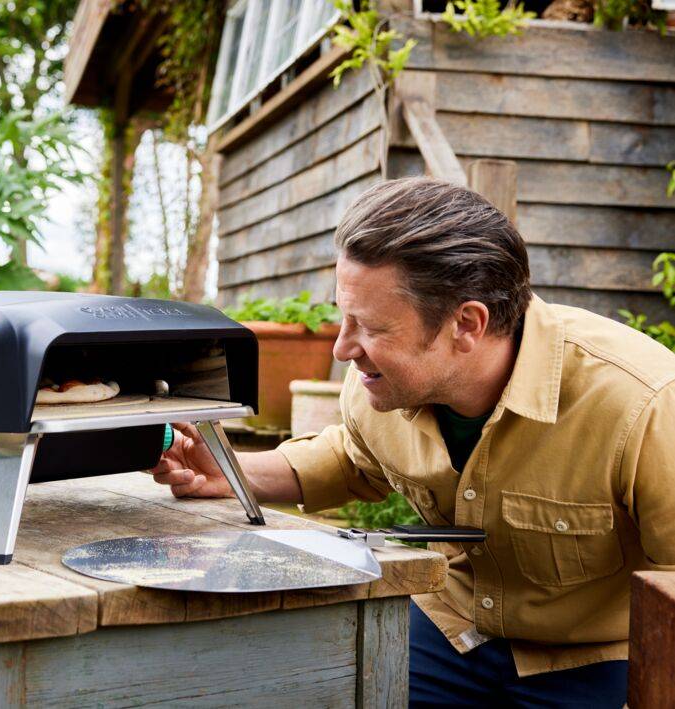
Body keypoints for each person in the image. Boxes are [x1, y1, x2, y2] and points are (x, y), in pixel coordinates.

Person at [148, 177, 675, 707]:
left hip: (596, 656)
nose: (341, 349)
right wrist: (231, 472)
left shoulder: (645, 404)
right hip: (452, 627)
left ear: (466, 324)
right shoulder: (378, 382)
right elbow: (352, 460)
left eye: (371, 327)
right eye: (343, 317)